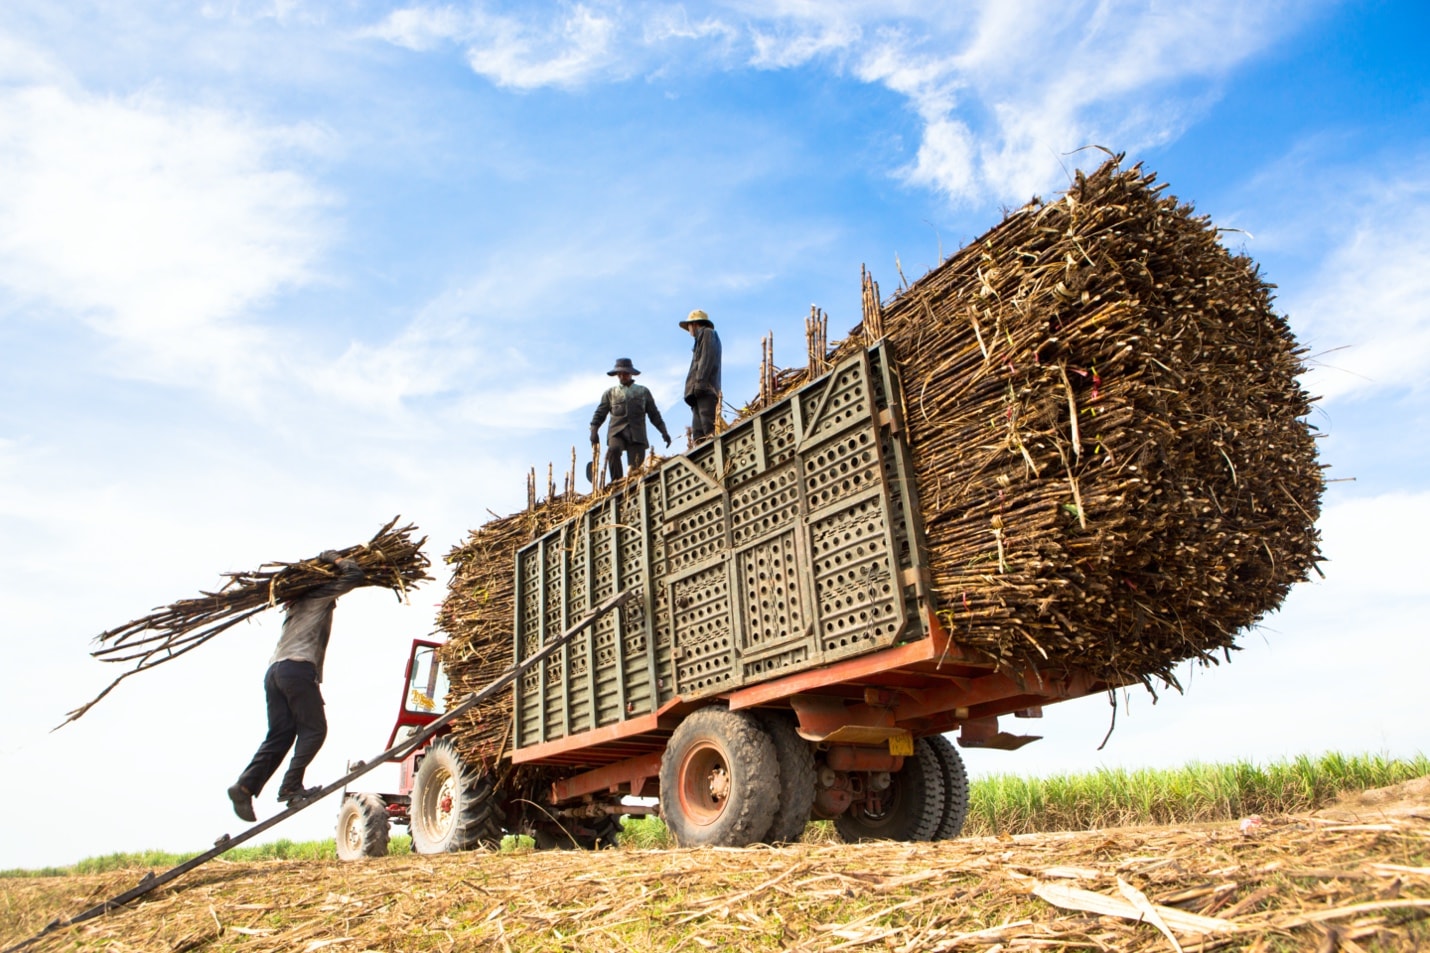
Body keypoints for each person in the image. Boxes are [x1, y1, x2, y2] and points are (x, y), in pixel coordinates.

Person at [227, 551, 366, 822]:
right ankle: (290, 786)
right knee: (315, 730)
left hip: (274, 672)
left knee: (281, 734)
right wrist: (335, 559)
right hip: (297, 670)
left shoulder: (293, 606)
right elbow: (355, 575)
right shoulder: (317, 595)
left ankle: (245, 786)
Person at [589, 357, 671, 482]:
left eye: (625, 373)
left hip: (637, 434)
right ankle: (616, 482)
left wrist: (664, 432)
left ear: (631, 373)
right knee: (613, 450)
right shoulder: (610, 393)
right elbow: (600, 414)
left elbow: (654, 414)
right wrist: (594, 431)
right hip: (617, 432)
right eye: (619, 373)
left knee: (636, 471)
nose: (622, 376)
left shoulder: (642, 392)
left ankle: (633, 488)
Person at [680, 309, 722, 441]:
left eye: (689, 326)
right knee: (698, 433)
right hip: (698, 391)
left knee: (708, 427)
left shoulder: (708, 334)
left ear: (695, 324)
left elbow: (706, 359)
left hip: (705, 390)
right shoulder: (699, 341)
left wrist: (700, 382)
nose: (689, 330)